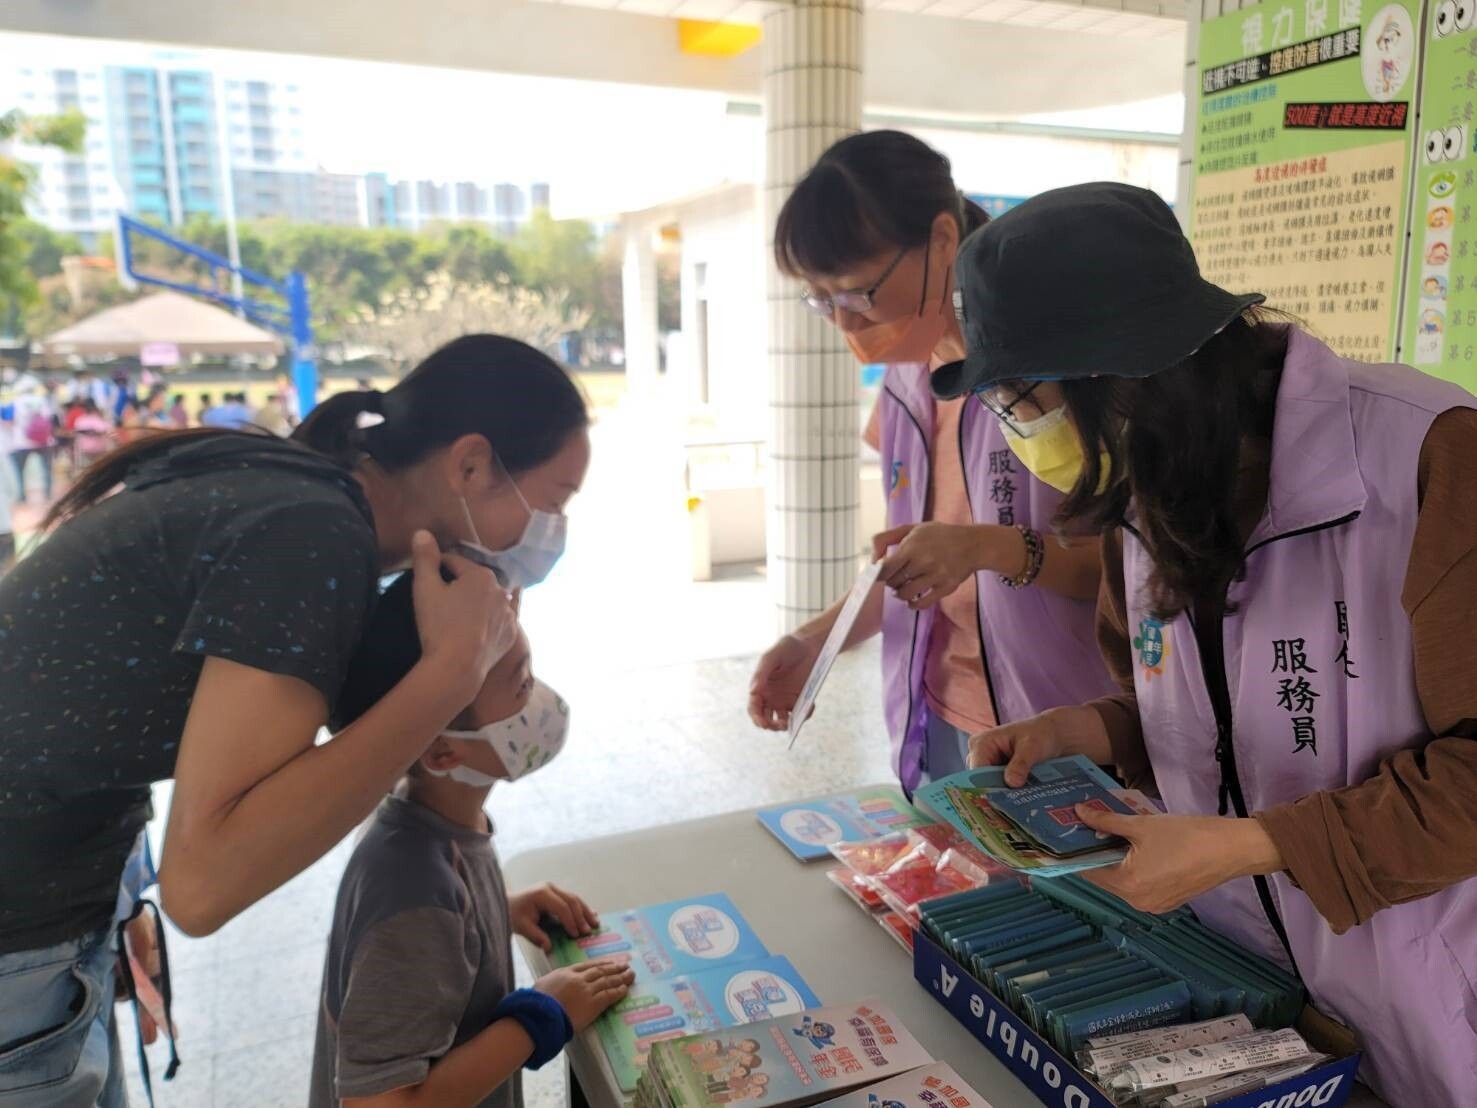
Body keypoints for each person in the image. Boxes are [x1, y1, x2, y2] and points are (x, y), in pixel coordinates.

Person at [951, 183, 1477, 1107]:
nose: (1021, 431)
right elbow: (1200, 714)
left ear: (1118, 377)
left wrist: (1255, 844)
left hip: (1430, 1000)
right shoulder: (1143, 486)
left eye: (1022, 399)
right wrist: (1095, 732)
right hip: (1257, 1003)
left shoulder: (1427, 456)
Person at [0, 333, 589, 1105]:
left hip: (56, 898)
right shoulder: (309, 534)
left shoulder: (297, 495)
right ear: (470, 464)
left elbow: (98, 703)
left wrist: (113, 892)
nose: (551, 531)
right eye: (553, 501)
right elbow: (204, 888)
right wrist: (452, 673)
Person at [748, 132, 1114, 788]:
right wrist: (815, 640)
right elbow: (915, 567)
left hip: (1060, 728)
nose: (844, 324)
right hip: (937, 716)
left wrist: (991, 548)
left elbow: (1131, 573)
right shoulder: (903, 384)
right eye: (820, 299)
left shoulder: (1056, 381)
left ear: (942, 240)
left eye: (858, 293)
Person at [310, 574, 631, 1108]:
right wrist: (543, 1015)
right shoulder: (415, 892)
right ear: (442, 753)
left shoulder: (431, 826)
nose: (542, 703)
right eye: (522, 685)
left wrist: (489, 915)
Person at [9, 372, 55, 503]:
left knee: (19, 471)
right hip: (44, 441)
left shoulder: (16, 402)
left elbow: (11, 421)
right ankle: (48, 494)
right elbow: (49, 419)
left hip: (21, 443)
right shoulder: (43, 401)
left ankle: (21, 496)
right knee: (47, 469)